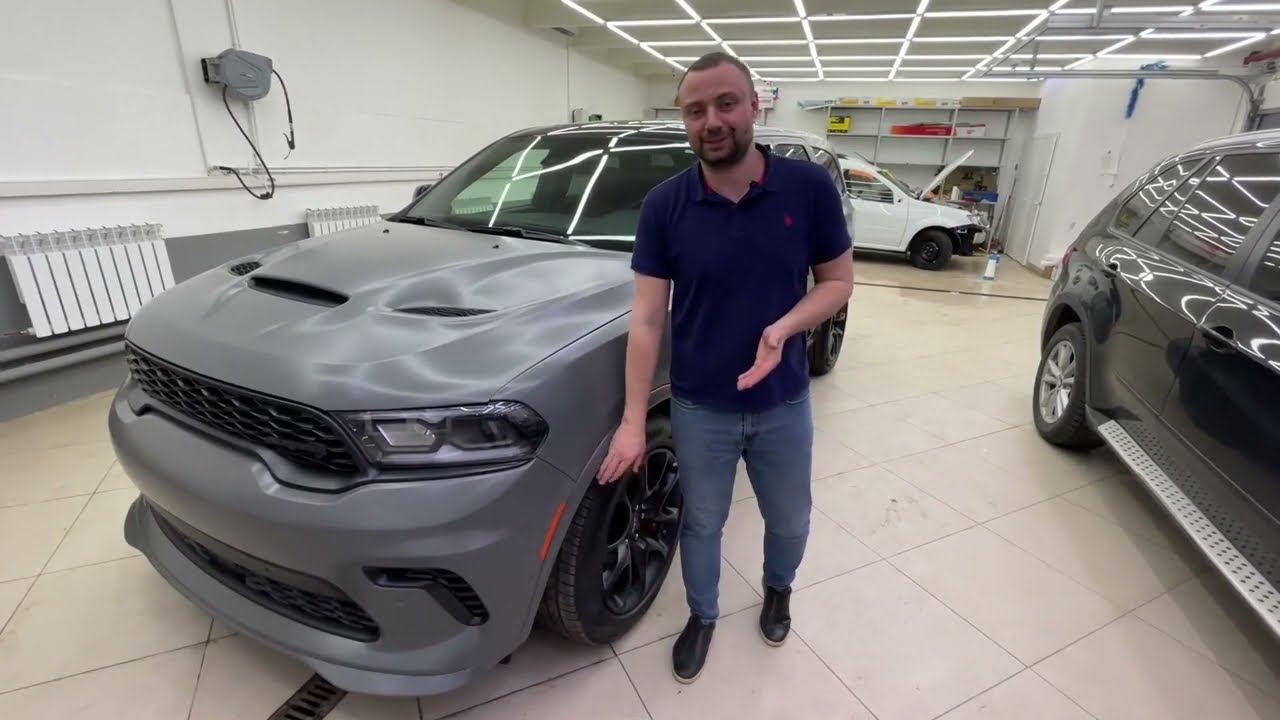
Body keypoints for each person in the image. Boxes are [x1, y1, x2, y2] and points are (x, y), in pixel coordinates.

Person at [596, 51, 855, 683]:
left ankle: (778, 590)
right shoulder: (665, 206)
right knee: (703, 522)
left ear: (754, 105)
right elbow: (647, 320)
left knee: (789, 519)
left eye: (725, 103)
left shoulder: (807, 188)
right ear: (684, 121)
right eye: (695, 110)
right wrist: (633, 421)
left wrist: (784, 329)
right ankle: (702, 614)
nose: (711, 121)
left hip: (783, 402)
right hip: (699, 407)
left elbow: (838, 282)